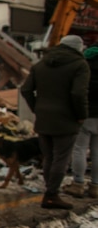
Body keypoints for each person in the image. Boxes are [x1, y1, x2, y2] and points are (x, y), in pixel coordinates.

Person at [21, 34, 90, 209]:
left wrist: (37, 108)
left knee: (49, 157)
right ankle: (51, 195)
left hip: (44, 118)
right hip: (66, 118)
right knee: (62, 157)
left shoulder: (41, 64)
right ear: (78, 48)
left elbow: (26, 89)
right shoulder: (79, 65)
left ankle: (50, 192)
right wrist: (81, 114)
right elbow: (78, 93)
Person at [63, 44, 98, 199]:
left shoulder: (83, 65)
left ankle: (78, 184)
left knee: (80, 149)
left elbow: (77, 91)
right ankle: (95, 186)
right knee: (97, 152)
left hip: (85, 114)